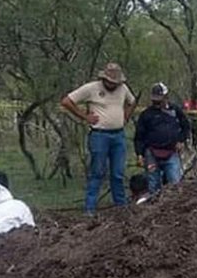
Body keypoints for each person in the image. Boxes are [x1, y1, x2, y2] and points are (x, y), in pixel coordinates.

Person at [61, 63, 137, 215]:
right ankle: (90, 208)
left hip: (118, 134)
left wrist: (125, 116)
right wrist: (84, 116)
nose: (112, 85)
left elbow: (132, 101)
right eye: (110, 82)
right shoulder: (91, 88)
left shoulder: (123, 88)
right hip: (99, 135)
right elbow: (67, 101)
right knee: (97, 172)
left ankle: (120, 207)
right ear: (104, 78)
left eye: (115, 82)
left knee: (118, 173)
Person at [134, 82, 190, 194]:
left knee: (175, 182)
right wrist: (139, 154)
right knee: (153, 184)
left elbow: (186, 126)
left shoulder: (175, 110)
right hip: (152, 153)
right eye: (155, 100)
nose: (157, 103)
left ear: (166, 97)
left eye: (159, 100)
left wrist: (181, 140)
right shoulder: (146, 114)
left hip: (171, 152)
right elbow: (139, 136)